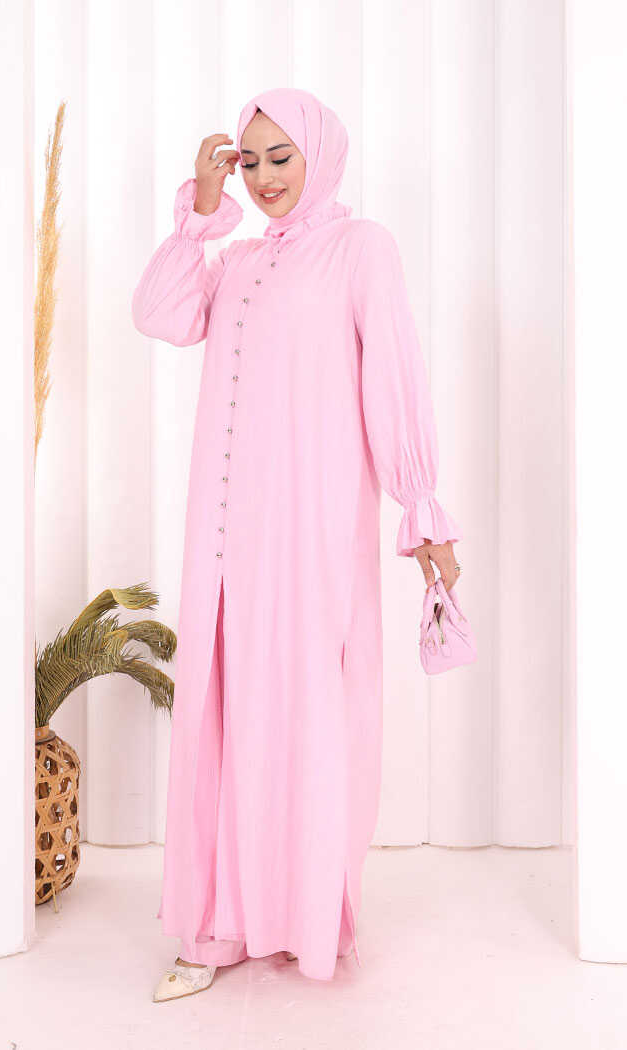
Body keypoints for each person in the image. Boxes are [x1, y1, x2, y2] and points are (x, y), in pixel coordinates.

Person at [131, 87, 463, 1003]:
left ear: (320, 153)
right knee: (226, 712)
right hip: (223, 538)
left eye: (281, 157)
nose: (266, 177)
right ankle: (217, 924)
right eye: (251, 161)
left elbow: (394, 374)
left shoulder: (361, 249)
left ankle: (304, 920)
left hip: (313, 531)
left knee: (308, 712)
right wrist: (203, 211)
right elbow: (159, 313)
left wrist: (422, 508)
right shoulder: (235, 262)